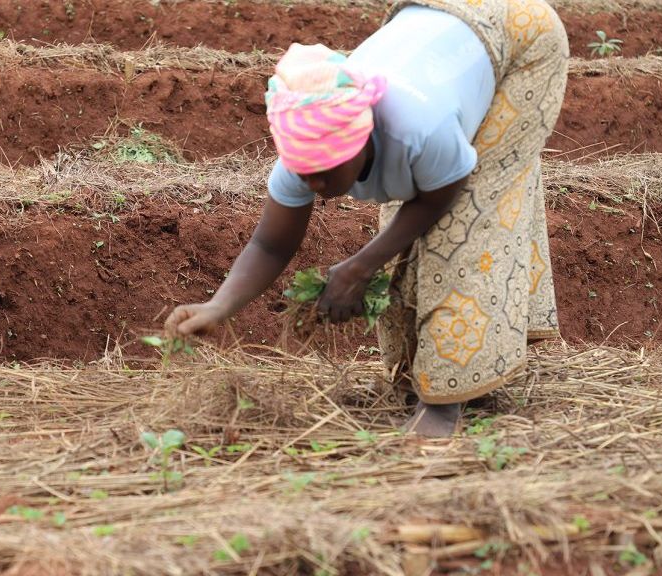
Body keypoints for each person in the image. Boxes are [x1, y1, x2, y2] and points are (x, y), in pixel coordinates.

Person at [165, 0, 568, 437]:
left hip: (522, 34)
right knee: (398, 229)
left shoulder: (419, 130)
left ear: (363, 140)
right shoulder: (307, 147)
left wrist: (360, 267)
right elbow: (270, 244)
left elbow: (439, 200)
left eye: (325, 172)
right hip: (443, 20)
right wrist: (217, 306)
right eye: (304, 173)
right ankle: (432, 372)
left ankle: (444, 406)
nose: (314, 184)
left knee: (464, 224)